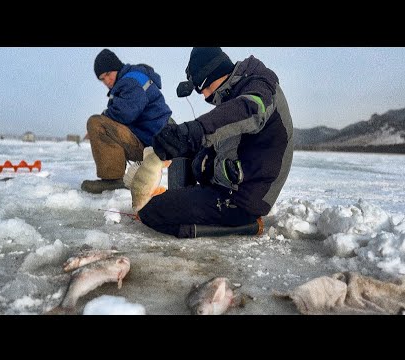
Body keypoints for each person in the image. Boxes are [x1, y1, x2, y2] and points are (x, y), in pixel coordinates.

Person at [138, 47, 294, 238]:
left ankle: (231, 227)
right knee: (188, 156)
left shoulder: (259, 87)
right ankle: (189, 202)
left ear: (211, 75)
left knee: (150, 210)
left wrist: (194, 130)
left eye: (202, 88)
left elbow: (251, 109)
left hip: (244, 199)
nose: (204, 96)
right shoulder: (236, 90)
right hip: (231, 184)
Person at [81, 49, 173, 194]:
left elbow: (127, 112)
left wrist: (102, 120)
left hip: (154, 144)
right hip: (156, 140)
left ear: (116, 68)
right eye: (102, 79)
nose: (106, 81)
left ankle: (113, 180)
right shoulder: (134, 78)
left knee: (96, 122)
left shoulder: (130, 81)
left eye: (108, 74)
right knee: (101, 122)